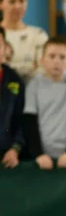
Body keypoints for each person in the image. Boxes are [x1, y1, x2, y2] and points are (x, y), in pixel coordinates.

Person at [23, 37, 66, 169]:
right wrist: (38, 154)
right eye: (52, 56)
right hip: (40, 157)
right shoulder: (33, 85)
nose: (57, 61)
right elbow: (29, 120)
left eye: (62, 57)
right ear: (42, 60)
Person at [0, 0, 48, 82]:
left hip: (32, 91)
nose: (17, 6)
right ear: (1, 4)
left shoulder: (38, 34)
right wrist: (28, 68)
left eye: (22, 1)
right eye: (12, 2)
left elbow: (45, 69)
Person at [0, 26, 25, 168]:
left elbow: (22, 120)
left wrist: (15, 148)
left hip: (7, 156)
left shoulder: (15, 80)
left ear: (5, 48)